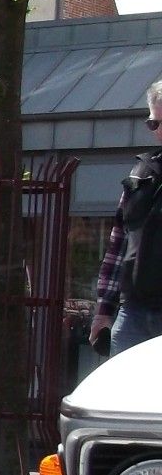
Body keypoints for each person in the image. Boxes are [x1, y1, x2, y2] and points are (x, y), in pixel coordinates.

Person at [91, 80, 162, 357]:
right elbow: (117, 247)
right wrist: (103, 311)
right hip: (133, 312)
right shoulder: (140, 174)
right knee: (122, 397)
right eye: (154, 123)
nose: (160, 131)